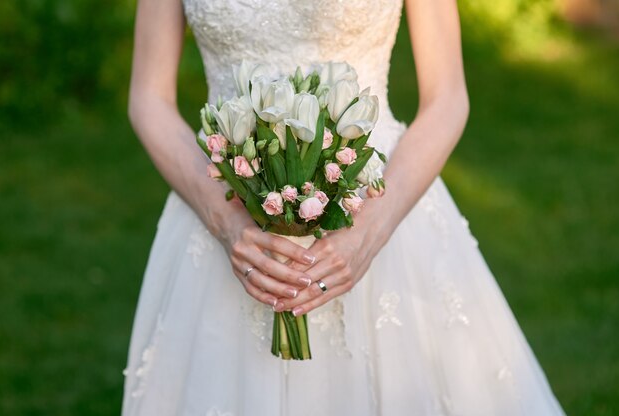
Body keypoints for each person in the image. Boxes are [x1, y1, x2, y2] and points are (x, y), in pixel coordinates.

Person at [122, 0, 566, 415]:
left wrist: (371, 230)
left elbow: (447, 97)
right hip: (222, 210)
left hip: (382, 201)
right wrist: (227, 223)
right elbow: (148, 97)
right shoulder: (224, 222)